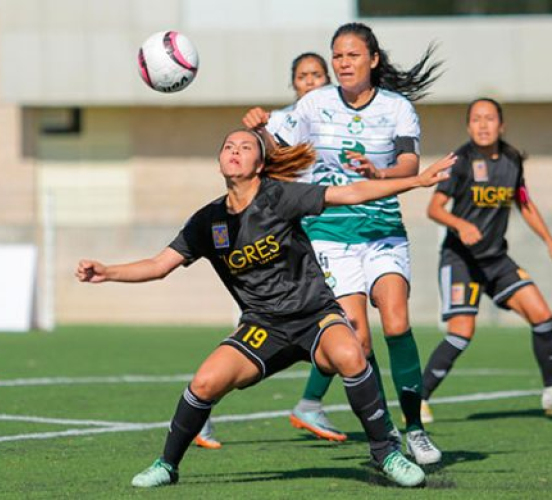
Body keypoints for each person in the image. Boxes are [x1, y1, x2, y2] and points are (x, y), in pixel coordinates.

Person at [75, 128, 455, 488]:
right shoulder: (208, 221)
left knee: (349, 353)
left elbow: (352, 193)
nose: (235, 151)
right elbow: (159, 265)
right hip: (263, 327)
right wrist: (108, 271)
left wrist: (416, 181)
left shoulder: (279, 196)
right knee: (204, 383)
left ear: (259, 164)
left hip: (314, 316)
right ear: (220, 162)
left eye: (245, 146)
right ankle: (167, 465)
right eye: (228, 147)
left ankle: (386, 454)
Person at [243, 22, 443, 465]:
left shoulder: (397, 108)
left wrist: (380, 172)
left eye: (352, 55)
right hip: (330, 235)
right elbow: (280, 153)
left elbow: (409, 161)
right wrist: (260, 130)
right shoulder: (314, 104)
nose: (343, 63)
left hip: (382, 230)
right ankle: (383, 432)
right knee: (357, 344)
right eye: (337, 56)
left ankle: (415, 430)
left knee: (395, 322)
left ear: (372, 60)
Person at [419, 98, 552, 422]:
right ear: (468, 126)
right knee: (461, 333)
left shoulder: (513, 160)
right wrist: (461, 225)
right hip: (461, 260)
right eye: (476, 119)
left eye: (489, 119)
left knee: (542, 315)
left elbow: (524, 204)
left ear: (502, 125)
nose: (483, 125)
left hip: (496, 259)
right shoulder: (460, 161)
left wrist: (551, 242)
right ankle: (418, 399)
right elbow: (434, 208)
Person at [194, 52, 331, 451]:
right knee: (261, 334)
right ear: (294, 84)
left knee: (347, 332)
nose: (311, 82)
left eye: (317, 75)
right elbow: (274, 172)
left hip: (333, 231)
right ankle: (204, 406)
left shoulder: (340, 119)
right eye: (303, 76)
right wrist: (265, 133)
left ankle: (312, 403)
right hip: (292, 232)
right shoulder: (281, 122)